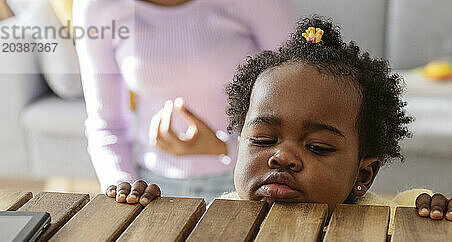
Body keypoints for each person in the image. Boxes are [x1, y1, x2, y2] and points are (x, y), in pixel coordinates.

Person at [105, 15, 452, 222]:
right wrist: (144, 216)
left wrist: (443, 225)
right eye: (263, 140)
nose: (281, 157)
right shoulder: (220, 215)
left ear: (363, 174)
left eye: (316, 146)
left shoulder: (396, 219)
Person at [73, 0, 295, 202]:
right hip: (151, 189)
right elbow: (106, 126)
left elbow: (299, 106)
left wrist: (225, 147)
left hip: (252, 182)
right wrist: (125, 188)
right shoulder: (95, 7)